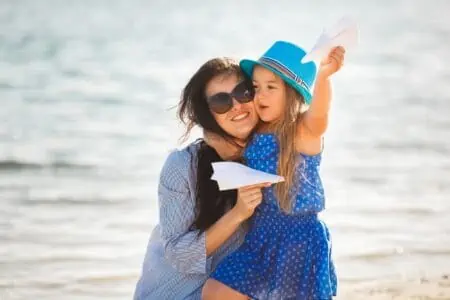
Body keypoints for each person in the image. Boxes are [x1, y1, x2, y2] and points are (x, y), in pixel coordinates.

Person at [202, 41, 346, 299]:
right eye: (255, 88)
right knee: (216, 291)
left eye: (271, 87)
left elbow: (320, 115)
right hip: (260, 235)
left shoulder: (302, 131)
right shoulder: (256, 131)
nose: (260, 96)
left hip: (298, 237)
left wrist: (324, 76)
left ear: (292, 93)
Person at [133, 57, 269, 300]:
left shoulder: (274, 156)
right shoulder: (183, 165)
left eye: (243, 92)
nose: (236, 105)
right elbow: (179, 256)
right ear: (208, 115)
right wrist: (238, 213)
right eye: (221, 102)